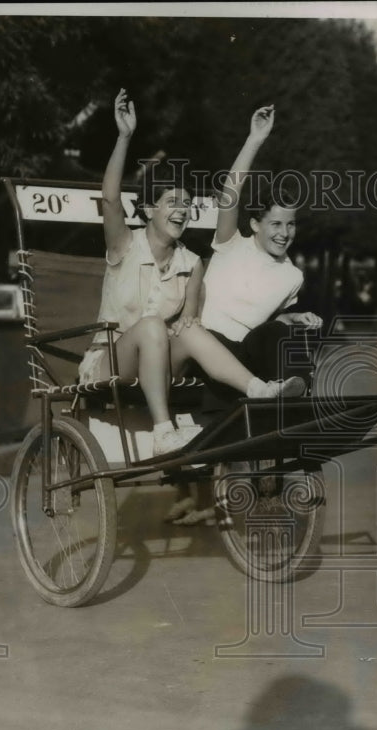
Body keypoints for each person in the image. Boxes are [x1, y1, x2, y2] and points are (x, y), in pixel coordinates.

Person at [79, 89, 306, 457]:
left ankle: (260, 390)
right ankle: (162, 431)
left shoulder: (192, 263)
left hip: (160, 364)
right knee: (153, 325)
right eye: (173, 202)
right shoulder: (125, 246)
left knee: (191, 329)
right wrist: (124, 137)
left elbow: (185, 326)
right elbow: (109, 198)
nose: (182, 210)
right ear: (150, 208)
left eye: (186, 204)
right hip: (110, 361)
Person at [198, 105, 323, 400]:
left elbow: (272, 324)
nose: (284, 233)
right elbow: (230, 195)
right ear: (255, 224)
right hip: (209, 351)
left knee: (280, 334)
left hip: (247, 357)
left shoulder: (292, 275)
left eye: (291, 225)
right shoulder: (232, 244)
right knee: (215, 338)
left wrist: (295, 318)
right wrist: (255, 139)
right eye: (276, 224)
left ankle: (299, 392)